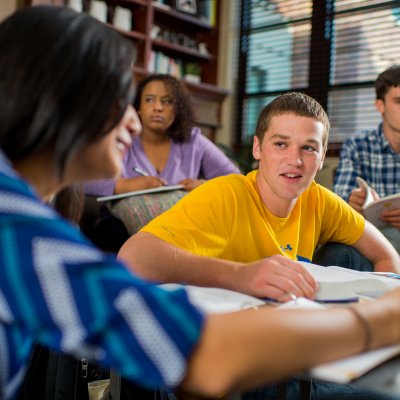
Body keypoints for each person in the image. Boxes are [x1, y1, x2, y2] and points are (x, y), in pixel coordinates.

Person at [3, 6, 400, 400]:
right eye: (118, 100)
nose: (136, 121)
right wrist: (375, 322)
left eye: (309, 148)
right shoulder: (18, 233)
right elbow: (201, 349)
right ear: (55, 102)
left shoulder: (29, 218)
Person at [118, 92, 400, 399]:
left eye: (308, 148)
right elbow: (131, 258)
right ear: (258, 148)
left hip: (298, 349)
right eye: (280, 144)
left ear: (320, 159)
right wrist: (243, 274)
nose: (295, 160)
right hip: (227, 361)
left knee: (348, 255)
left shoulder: (319, 200)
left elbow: (386, 256)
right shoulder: (225, 195)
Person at [84, 73, 240, 197]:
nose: (158, 107)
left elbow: (237, 181)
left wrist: (205, 186)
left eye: (167, 101)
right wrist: (125, 185)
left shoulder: (193, 140)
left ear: (177, 109)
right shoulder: (122, 138)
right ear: (138, 107)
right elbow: (79, 179)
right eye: (149, 100)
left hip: (178, 227)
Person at [333, 65, 400, 255]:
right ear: (380, 105)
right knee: (338, 250)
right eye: (399, 101)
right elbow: (340, 202)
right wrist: (352, 202)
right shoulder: (358, 144)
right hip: (370, 235)